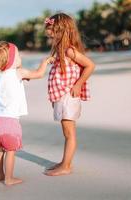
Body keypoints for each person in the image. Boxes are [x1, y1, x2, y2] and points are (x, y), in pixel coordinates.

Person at [0, 41, 54, 185]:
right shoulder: (19, 72)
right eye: (18, 54)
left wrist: (23, 77)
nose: (20, 56)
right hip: (11, 123)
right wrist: (45, 61)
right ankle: (9, 178)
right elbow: (39, 74)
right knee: (11, 151)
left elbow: (11, 82)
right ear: (11, 59)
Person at [44, 13, 95, 176]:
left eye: (53, 32)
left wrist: (79, 84)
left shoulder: (69, 50)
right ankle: (65, 162)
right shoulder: (61, 51)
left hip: (69, 97)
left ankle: (66, 166)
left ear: (63, 31)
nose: (51, 36)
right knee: (67, 133)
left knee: (69, 133)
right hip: (63, 97)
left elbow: (90, 65)